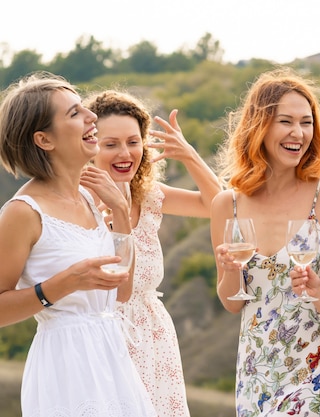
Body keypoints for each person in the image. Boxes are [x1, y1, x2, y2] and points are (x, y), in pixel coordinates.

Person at [0, 72, 157, 415]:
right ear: (44, 139)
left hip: (112, 356)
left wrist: (119, 211)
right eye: (74, 113)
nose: (91, 118)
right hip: (65, 365)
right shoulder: (22, 212)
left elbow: (122, 292)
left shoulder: (90, 199)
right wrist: (61, 285)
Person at [211, 67, 320, 416]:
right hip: (256, 372)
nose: (299, 133)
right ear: (259, 127)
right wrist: (230, 270)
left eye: (306, 122)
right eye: (286, 121)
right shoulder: (226, 205)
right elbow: (233, 303)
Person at [83, 89, 222, 416]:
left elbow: (219, 207)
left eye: (133, 141)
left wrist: (190, 156)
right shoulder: (77, 203)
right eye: (111, 143)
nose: (125, 153)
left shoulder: (148, 195)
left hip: (154, 339)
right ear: (89, 146)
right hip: (102, 338)